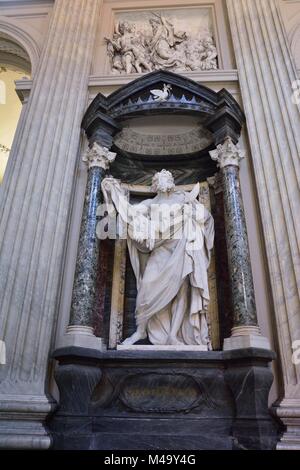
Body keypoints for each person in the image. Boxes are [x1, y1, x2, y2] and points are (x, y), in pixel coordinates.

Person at [101, 170, 214, 348]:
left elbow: (205, 217)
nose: (164, 180)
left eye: (167, 178)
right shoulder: (149, 204)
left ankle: (172, 336)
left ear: (171, 182)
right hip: (160, 252)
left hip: (181, 249)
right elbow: (129, 213)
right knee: (146, 288)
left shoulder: (183, 199)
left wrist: (192, 214)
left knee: (181, 292)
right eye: (160, 178)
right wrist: (113, 192)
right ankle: (140, 330)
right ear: (155, 184)